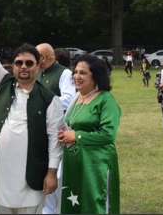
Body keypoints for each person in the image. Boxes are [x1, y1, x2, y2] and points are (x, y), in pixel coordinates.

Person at [0, 1, 63, 214]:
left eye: (29, 63)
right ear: (13, 66)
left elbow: (54, 140)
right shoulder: (2, 83)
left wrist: (51, 173)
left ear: (39, 65)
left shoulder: (50, 99)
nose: (23, 67)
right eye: (19, 62)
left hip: (31, 176)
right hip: (1, 172)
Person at [57, 53, 121, 214]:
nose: (76, 76)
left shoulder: (106, 100)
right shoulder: (77, 99)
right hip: (74, 162)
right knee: (74, 203)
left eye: (83, 73)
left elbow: (108, 135)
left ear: (96, 76)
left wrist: (76, 136)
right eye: (75, 72)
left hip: (96, 164)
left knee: (94, 204)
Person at [35, 43, 76, 214]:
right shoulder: (38, 73)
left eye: (36, 58)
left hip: (57, 131)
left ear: (44, 58)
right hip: (38, 132)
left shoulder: (64, 73)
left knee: (57, 177)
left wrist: (45, 103)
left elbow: (69, 98)